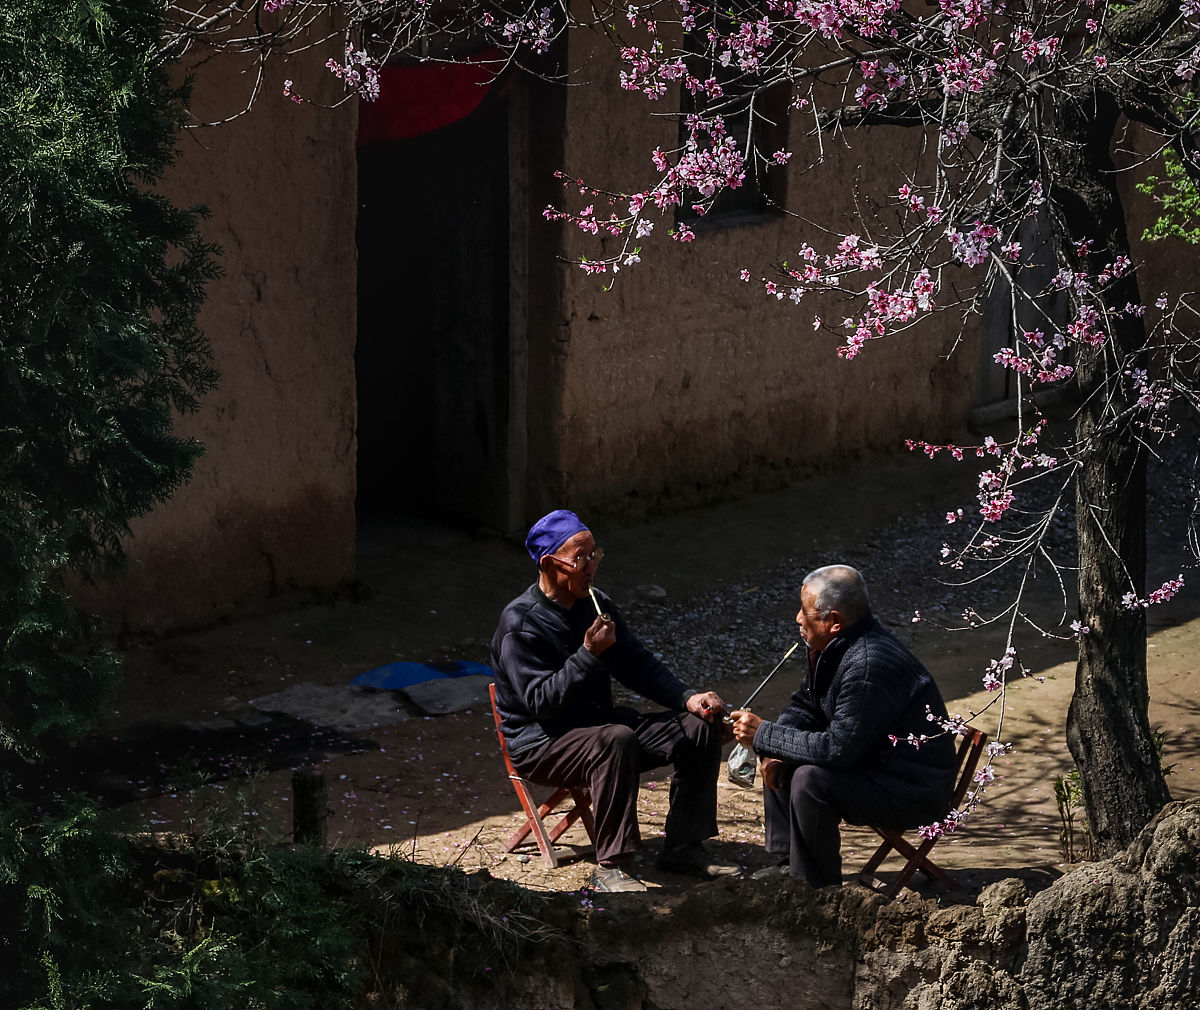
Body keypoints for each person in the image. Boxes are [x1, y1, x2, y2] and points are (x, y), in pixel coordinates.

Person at [491, 509, 740, 892]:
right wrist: (588, 653)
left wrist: (690, 698)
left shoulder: (595, 604)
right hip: (543, 743)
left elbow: (637, 665)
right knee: (615, 738)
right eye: (579, 558)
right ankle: (612, 865)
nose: (591, 568)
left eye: (595, 556)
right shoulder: (521, 624)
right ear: (547, 564)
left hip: (600, 728)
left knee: (699, 726)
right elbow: (540, 703)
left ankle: (684, 848)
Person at [731, 564, 957, 888]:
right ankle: (789, 864)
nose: (798, 618)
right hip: (874, 765)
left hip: (911, 788)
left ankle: (816, 888)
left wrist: (763, 734)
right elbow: (805, 704)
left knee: (808, 777)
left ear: (834, 622)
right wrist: (774, 746)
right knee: (782, 750)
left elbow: (837, 750)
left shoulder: (868, 664)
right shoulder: (833, 648)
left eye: (805, 611)